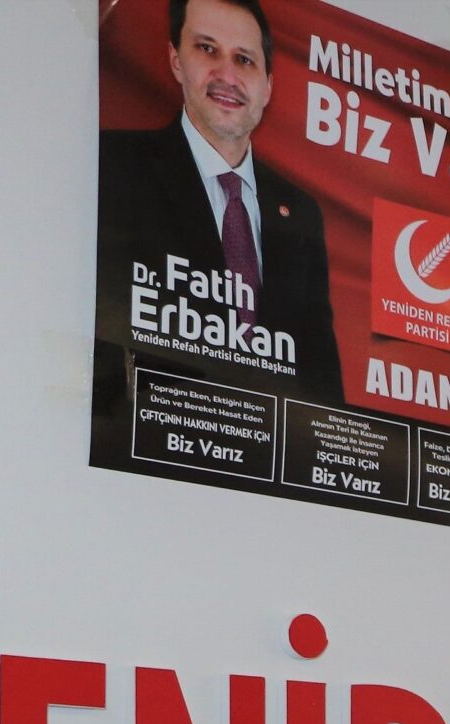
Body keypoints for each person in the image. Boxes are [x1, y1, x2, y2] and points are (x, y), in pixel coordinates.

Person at [93, 0, 344, 420]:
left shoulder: (300, 213)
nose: (227, 76)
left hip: (270, 448)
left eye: (244, 59)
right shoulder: (114, 166)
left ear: (267, 86)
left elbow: (321, 384)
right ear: (176, 60)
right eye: (207, 49)